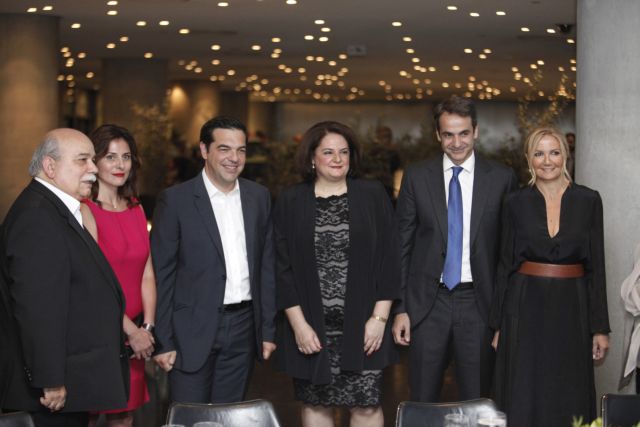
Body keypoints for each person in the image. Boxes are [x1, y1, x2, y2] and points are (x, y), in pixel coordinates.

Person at [274, 121, 400, 427]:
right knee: (316, 406)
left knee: (366, 406)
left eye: (344, 152)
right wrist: (299, 326)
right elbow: (281, 268)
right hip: (311, 329)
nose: (337, 159)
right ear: (311, 157)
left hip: (365, 327)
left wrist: (379, 319)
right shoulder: (291, 200)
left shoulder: (373, 195)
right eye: (328, 152)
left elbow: (390, 259)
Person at [392, 96, 518, 402]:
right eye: (448, 134)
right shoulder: (416, 176)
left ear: (476, 131)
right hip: (427, 304)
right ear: (438, 134)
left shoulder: (502, 179)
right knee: (422, 398)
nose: (457, 142)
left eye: (463, 133)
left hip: (479, 303)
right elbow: (401, 247)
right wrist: (401, 309)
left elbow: (509, 255)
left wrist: (503, 317)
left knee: (477, 400)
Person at [0, 129, 129, 427]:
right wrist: (50, 379)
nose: (93, 168)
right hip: (49, 394)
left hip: (71, 382)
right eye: (82, 160)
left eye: (92, 160)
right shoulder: (37, 216)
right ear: (50, 166)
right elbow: (37, 309)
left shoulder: (55, 209)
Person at [151, 116, 276, 403]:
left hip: (244, 328)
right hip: (190, 330)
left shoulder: (259, 197)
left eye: (241, 150)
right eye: (224, 149)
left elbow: (266, 268)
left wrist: (267, 330)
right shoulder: (176, 200)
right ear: (204, 150)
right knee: (190, 417)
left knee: (228, 416)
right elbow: (163, 274)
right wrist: (163, 340)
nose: (234, 158)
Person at [490, 127, 610, 426]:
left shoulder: (589, 200)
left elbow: (596, 267)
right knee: (524, 388)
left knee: (569, 389)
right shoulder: (514, 202)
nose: (547, 161)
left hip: (573, 307)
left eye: (554, 152)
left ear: (565, 156)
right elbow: (504, 265)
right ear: (528, 159)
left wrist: (600, 328)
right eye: (539, 153)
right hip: (524, 306)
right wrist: (499, 325)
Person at [79, 124, 156, 426]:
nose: (119, 164)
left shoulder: (136, 208)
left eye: (125, 157)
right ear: (94, 161)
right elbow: (93, 284)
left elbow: (147, 272)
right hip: (99, 331)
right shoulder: (85, 210)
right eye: (110, 157)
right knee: (88, 415)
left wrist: (147, 326)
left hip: (136, 334)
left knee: (124, 417)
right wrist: (131, 332)